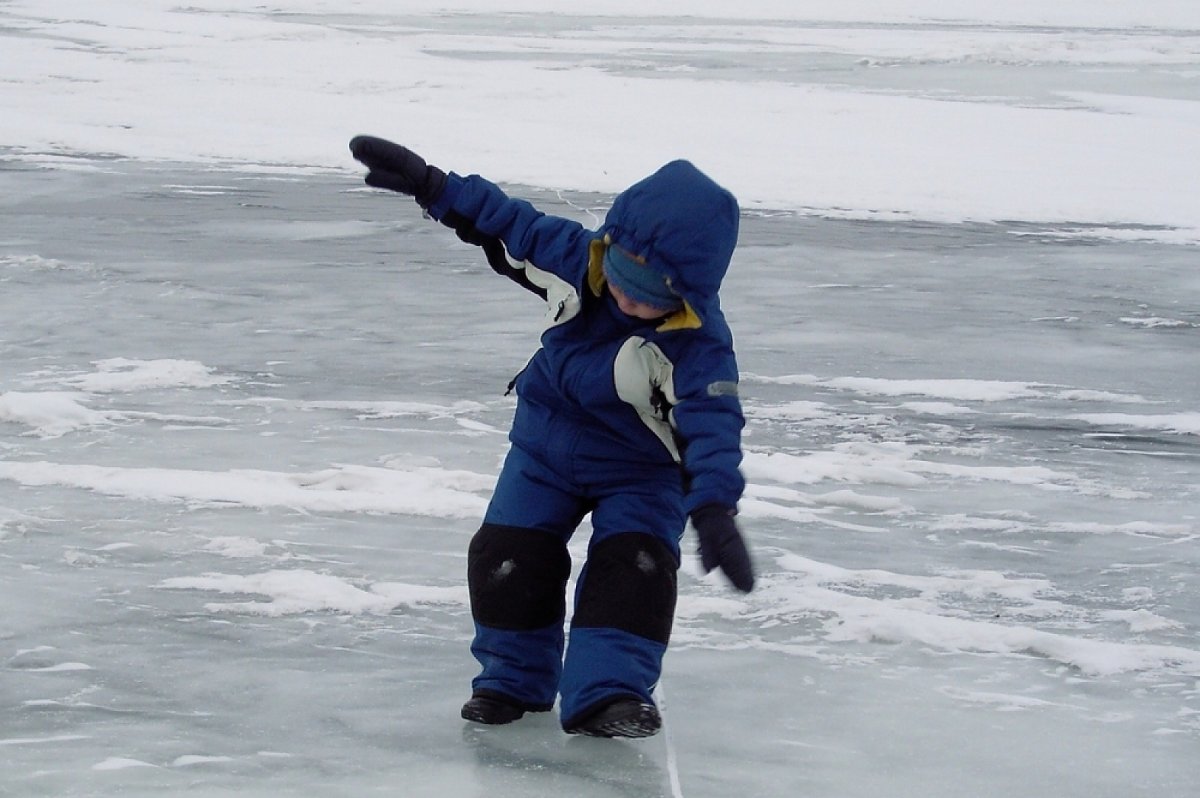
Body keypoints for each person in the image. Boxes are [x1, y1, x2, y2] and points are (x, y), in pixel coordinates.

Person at [349, 135, 754, 739]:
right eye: (619, 277)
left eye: (647, 298)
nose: (624, 297)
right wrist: (433, 186)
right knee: (507, 558)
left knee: (634, 569)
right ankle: (511, 681)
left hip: (641, 470)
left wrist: (715, 507)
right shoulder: (580, 256)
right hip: (546, 447)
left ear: (685, 293)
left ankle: (609, 694)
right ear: (608, 247)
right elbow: (509, 223)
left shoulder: (700, 346)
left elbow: (714, 428)